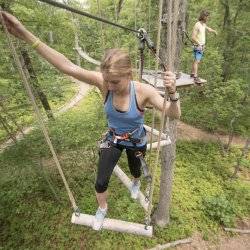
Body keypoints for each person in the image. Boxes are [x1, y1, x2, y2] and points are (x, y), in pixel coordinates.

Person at [0, 11, 181, 230]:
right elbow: (66, 66)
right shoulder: (103, 82)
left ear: (128, 75)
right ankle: (102, 208)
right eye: (107, 81)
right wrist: (24, 33)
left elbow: (174, 114)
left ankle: (135, 181)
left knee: (136, 169)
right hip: (113, 138)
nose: (110, 87)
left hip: (136, 141)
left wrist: (172, 93)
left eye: (115, 82)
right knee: (100, 180)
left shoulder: (144, 92)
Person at [190, 10, 217, 84]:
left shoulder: (203, 25)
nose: (208, 18)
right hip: (198, 46)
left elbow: (208, 29)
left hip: (201, 45)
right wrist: (199, 44)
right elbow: (193, 37)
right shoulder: (197, 24)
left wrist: (214, 31)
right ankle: (195, 76)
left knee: (196, 59)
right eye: (207, 17)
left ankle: (192, 74)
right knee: (197, 61)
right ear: (204, 17)